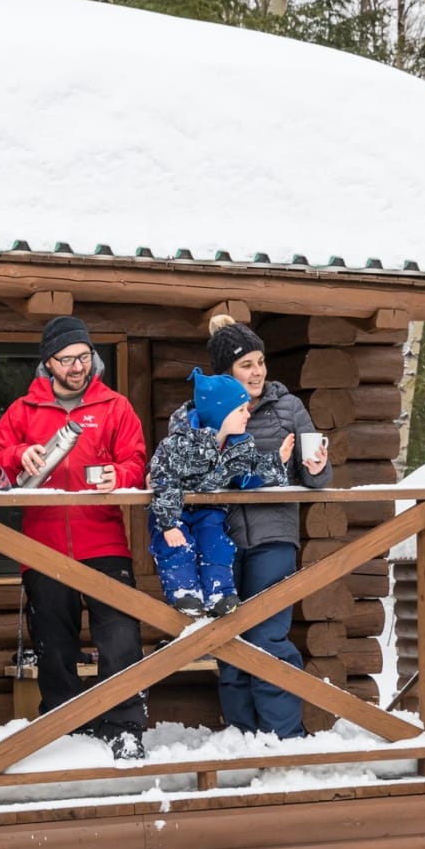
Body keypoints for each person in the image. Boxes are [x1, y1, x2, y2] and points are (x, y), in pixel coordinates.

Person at [0, 316, 149, 761]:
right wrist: (17, 455)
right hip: (41, 545)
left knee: (121, 641)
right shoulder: (23, 410)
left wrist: (121, 474)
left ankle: (125, 727)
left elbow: (137, 462)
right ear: (47, 363)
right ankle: (64, 728)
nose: (78, 366)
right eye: (67, 359)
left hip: (106, 543)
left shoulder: (116, 406)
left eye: (84, 356)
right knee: (54, 645)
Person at [168, 314, 333, 739]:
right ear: (227, 373)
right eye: (247, 365)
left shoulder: (288, 406)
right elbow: (181, 469)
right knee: (228, 638)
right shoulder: (196, 413)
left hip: (273, 537)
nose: (258, 371)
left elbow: (316, 474)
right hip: (219, 540)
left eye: (260, 361)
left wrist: (317, 467)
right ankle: (242, 735)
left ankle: (284, 736)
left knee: (269, 637)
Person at [149, 368, 294, 618]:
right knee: (177, 546)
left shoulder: (239, 444)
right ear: (220, 414)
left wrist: (276, 461)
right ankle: (184, 591)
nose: (247, 414)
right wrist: (168, 522)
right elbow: (163, 480)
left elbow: (248, 474)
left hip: (209, 509)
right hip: (174, 510)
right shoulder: (179, 443)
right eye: (240, 410)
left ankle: (219, 593)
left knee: (217, 544)